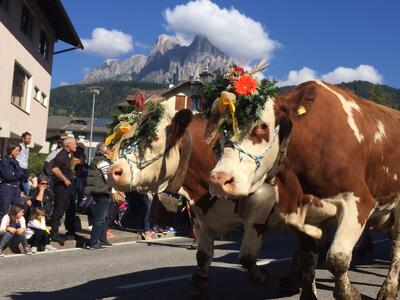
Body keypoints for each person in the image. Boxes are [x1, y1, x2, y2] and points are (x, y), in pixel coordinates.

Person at [83, 143, 113, 250]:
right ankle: (93, 242)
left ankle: (103, 240)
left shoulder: (97, 160)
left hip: (98, 191)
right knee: (100, 218)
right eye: (109, 148)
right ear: (104, 151)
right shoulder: (103, 162)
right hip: (102, 191)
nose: (110, 150)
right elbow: (108, 177)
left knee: (102, 217)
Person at [49, 137, 77, 244]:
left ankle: (70, 232)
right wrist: (65, 179)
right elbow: (55, 169)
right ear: (68, 145)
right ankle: (54, 234)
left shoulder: (68, 155)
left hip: (68, 187)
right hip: (61, 187)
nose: (76, 145)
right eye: (74, 144)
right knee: (59, 209)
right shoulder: (61, 155)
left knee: (70, 209)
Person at [0, 144, 23, 220]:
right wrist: (16, 174)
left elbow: (21, 174)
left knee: (17, 210)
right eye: (17, 150)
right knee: (4, 210)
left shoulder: (16, 162)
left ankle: (12, 228)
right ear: (11, 150)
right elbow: (8, 177)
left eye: (19, 151)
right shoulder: (4, 161)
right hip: (6, 187)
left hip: (16, 188)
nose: (18, 152)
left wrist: (14, 174)